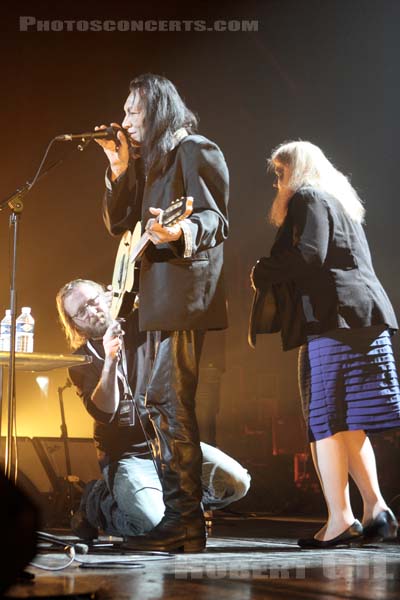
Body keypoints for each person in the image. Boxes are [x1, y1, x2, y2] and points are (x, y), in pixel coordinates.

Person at [95, 73, 229, 552]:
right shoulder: (148, 164)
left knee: (171, 405)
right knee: (159, 405)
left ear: (157, 107)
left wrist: (181, 232)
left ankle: (184, 524)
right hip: (151, 300)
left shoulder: (196, 149)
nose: (126, 119)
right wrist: (118, 170)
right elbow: (120, 225)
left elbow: (216, 219)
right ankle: (181, 523)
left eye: (133, 110)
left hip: (183, 298)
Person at [251, 140, 400, 548]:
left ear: (296, 171)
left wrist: (266, 271)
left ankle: (340, 518)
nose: (278, 182)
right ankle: (376, 508)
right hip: (364, 317)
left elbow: (310, 256)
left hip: (336, 320)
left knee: (326, 420)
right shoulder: (339, 203)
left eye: (281, 172)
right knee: (348, 421)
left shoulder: (309, 197)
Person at [56, 279, 250, 542]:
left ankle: (172, 506)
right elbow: (104, 412)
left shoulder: (140, 323)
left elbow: (166, 295)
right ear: (74, 323)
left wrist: (132, 297)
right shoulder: (80, 361)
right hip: (128, 457)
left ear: (107, 295)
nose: (91, 311)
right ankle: (97, 501)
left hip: (171, 445)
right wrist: (110, 360)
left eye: (93, 300)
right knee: (152, 524)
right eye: (81, 311)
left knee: (236, 484)